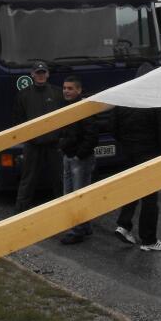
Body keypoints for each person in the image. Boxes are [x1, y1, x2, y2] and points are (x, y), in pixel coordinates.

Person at [113, 63, 161, 252]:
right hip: (149, 151)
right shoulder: (156, 97)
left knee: (131, 189)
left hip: (128, 150)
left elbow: (111, 124)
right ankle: (148, 240)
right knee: (149, 198)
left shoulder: (124, 97)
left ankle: (123, 225)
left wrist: (124, 141)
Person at [13, 62, 63, 213]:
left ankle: (62, 211)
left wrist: (60, 137)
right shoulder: (23, 95)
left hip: (54, 145)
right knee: (28, 179)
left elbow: (64, 117)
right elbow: (19, 119)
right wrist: (29, 137)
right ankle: (20, 212)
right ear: (32, 74)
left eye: (43, 72)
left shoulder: (57, 93)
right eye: (38, 73)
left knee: (59, 179)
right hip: (33, 145)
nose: (41, 75)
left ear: (47, 74)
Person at [59, 75, 99, 245]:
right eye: (65, 88)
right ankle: (85, 226)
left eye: (70, 88)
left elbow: (92, 136)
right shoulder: (66, 108)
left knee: (77, 195)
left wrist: (78, 155)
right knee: (70, 194)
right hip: (68, 157)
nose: (66, 91)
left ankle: (76, 231)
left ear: (79, 90)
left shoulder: (84, 109)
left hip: (79, 160)